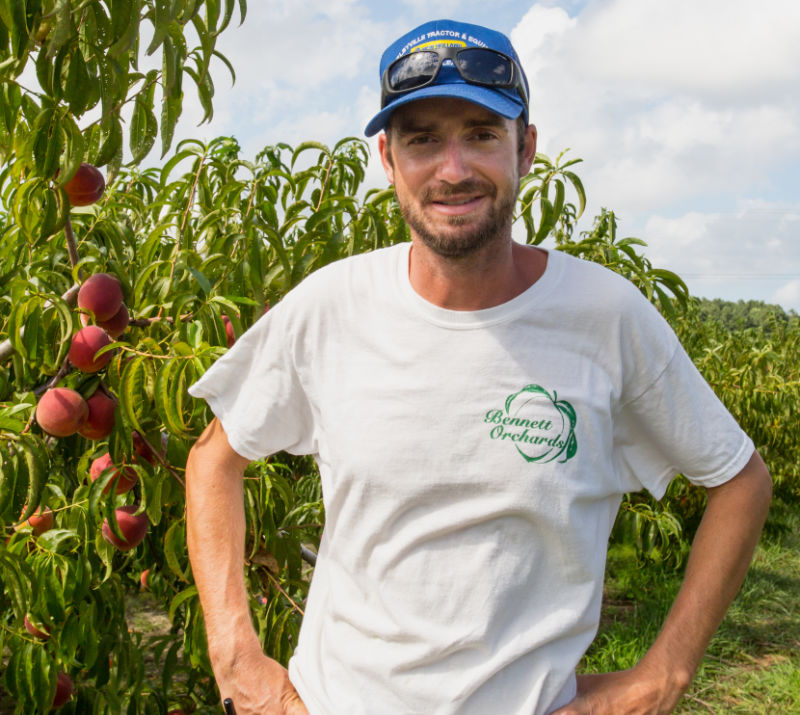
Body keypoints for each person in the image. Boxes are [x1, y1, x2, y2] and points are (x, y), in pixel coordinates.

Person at [185, 18, 772, 715]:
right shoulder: (331, 305)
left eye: (481, 133)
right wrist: (235, 655)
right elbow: (213, 459)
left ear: (525, 147)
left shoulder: (605, 316)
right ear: (387, 159)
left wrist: (665, 672)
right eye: (422, 139)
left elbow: (739, 479)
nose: (453, 169)